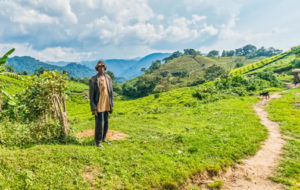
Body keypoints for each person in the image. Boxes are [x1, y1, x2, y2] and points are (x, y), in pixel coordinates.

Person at [89, 61, 114, 149]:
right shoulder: (93, 79)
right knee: (100, 123)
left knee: (106, 122)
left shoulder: (108, 78)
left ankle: (103, 138)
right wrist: (93, 108)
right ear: (97, 69)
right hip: (98, 104)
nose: (101, 68)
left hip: (107, 103)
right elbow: (91, 95)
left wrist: (111, 104)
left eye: (103, 67)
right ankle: (97, 142)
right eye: (99, 67)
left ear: (105, 68)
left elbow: (111, 92)